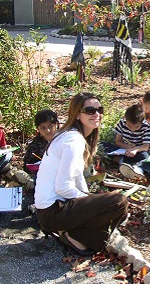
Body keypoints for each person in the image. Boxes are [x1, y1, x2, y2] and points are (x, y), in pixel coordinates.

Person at [34, 92, 128, 255]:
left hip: (52, 209)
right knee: (119, 202)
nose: (97, 114)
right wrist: (89, 200)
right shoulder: (73, 140)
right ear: (77, 114)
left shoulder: (71, 135)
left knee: (114, 206)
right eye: (90, 110)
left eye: (100, 109)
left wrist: (90, 200)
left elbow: (76, 177)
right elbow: (63, 187)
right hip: (52, 211)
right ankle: (74, 235)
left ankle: (75, 234)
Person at [114, 104, 150, 180]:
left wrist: (135, 149)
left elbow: (146, 146)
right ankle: (125, 164)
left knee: (145, 156)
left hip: (139, 151)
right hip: (124, 149)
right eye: (129, 126)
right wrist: (128, 147)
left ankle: (138, 169)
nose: (132, 129)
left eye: (136, 127)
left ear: (142, 122)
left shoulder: (146, 127)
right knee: (105, 146)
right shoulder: (122, 123)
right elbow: (118, 141)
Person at [23, 109, 59, 173]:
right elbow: (26, 166)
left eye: (51, 126)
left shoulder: (64, 140)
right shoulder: (35, 145)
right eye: (43, 128)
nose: (47, 130)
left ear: (56, 124)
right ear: (37, 129)